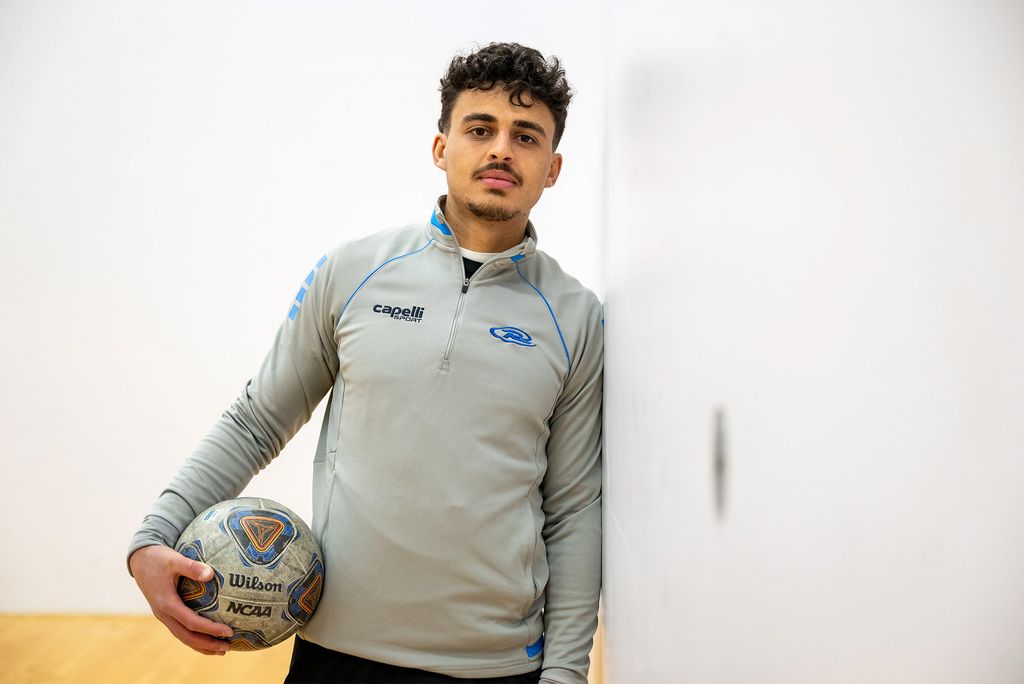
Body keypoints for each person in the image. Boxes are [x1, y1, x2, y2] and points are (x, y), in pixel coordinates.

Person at [127, 42, 603, 684]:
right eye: (480, 129)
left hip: (494, 667)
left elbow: (573, 508)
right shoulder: (354, 272)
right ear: (442, 149)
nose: (500, 150)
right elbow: (256, 421)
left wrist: (568, 673)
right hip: (336, 654)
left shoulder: (575, 316)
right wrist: (153, 537)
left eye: (526, 136)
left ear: (553, 168)